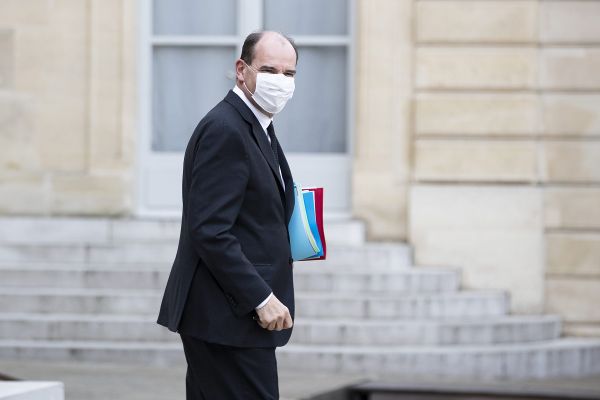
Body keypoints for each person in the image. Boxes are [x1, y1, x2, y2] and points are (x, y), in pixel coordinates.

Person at [157, 31, 298, 399]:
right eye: (269, 70)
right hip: (228, 318)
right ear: (241, 70)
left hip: (227, 321)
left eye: (289, 74)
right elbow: (210, 230)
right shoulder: (227, 129)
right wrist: (260, 298)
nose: (280, 82)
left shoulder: (257, 124)